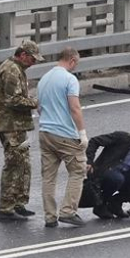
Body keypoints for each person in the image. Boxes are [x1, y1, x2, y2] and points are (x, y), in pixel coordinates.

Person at [0, 40, 44, 222]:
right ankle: (6, 209)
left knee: (23, 164)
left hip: (17, 124)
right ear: (22, 55)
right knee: (13, 164)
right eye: (32, 59)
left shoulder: (16, 68)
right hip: (10, 125)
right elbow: (13, 100)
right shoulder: (11, 70)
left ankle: (18, 203)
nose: (34, 63)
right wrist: (35, 102)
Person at [37, 47, 88, 228]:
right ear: (72, 60)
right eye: (77, 63)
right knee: (78, 170)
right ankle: (68, 211)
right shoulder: (69, 79)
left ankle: (50, 216)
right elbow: (75, 107)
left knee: (48, 177)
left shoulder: (44, 79)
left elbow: (39, 107)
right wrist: (82, 132)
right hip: (64, 133)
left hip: (45, 132)